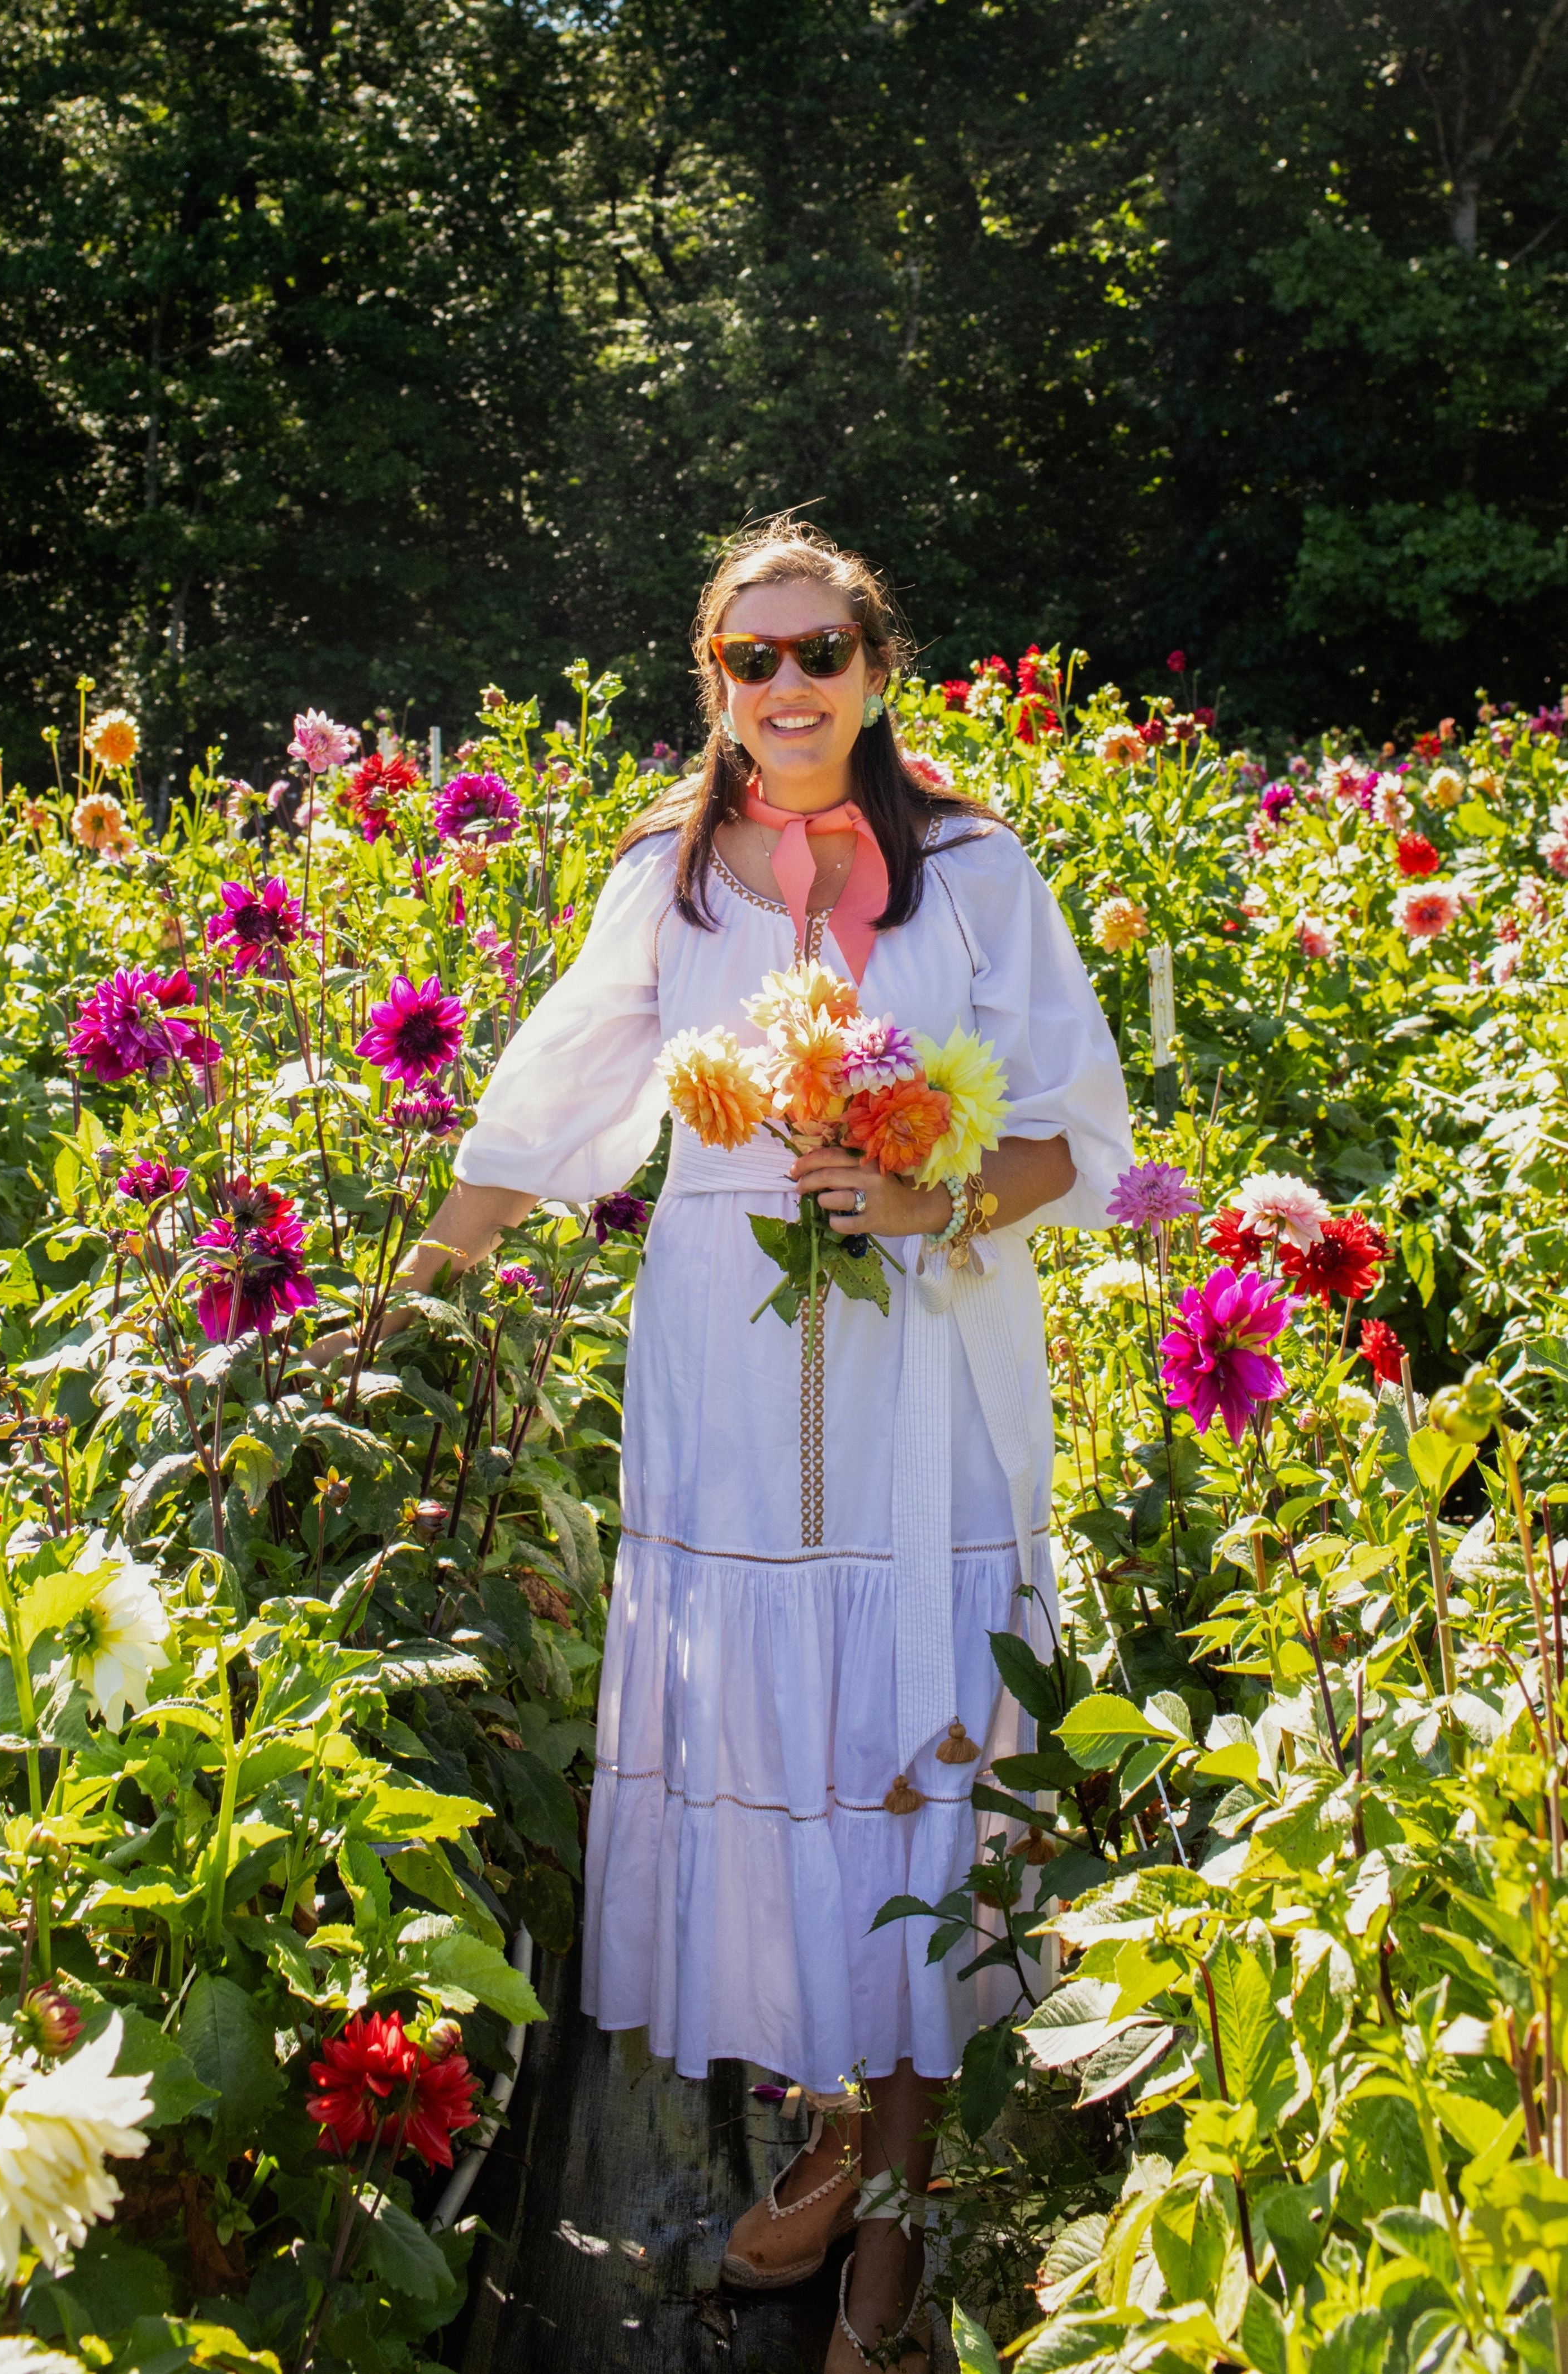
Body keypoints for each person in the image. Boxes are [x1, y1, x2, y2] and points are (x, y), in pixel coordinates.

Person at [357, 520, 1131, 2370]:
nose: (787, 689)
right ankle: (840, 2127)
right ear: (714, 678)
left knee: (913, 1749)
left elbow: (1078, 1139)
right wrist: (394, 1313)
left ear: (876, 666)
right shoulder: (673, 879)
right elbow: (546, 1106)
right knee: (780, 1754)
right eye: (750, 660)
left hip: (924, 1399)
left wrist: (931, 1194)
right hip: (723, 1377)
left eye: (819, 653)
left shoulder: (973, 872)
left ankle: (895, 2190)